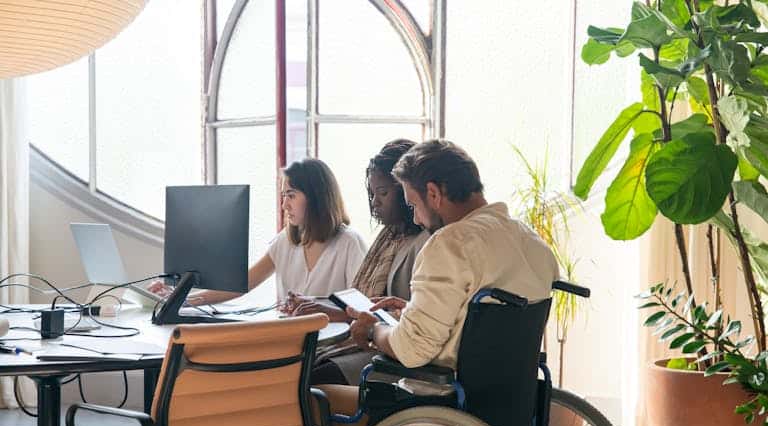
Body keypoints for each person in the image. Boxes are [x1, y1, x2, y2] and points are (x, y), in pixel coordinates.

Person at [347, 139, 559, 370]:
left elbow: (411, 350)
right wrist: (415, 311)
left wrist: (374, 329)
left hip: (441, 393)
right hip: (510, 392)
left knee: (319, 394)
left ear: (433, 193)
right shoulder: (532, 242)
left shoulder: (449, 243)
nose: (416, 219)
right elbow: (485, 330)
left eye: (414, 206)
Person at [282, 140, 430, 385]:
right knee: (295, 368)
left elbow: (406, 320)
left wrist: (340, 316)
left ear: (408, 189)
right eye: (372, 194)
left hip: (390, 353)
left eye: (383, 193)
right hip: (373, 341)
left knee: (309, 378)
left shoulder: (425, 242)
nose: (375, 203)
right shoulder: (390, 236)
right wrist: (329, 311)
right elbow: (366, 306)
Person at [149, 158, 368, 305]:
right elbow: (240, 285)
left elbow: (361, 307)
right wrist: (180, 299)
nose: (284, 205)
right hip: (292, 343)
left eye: (291, 195)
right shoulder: (286, 241)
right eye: (283, 196)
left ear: (317, 196)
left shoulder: (349, 243)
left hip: (330, 348)